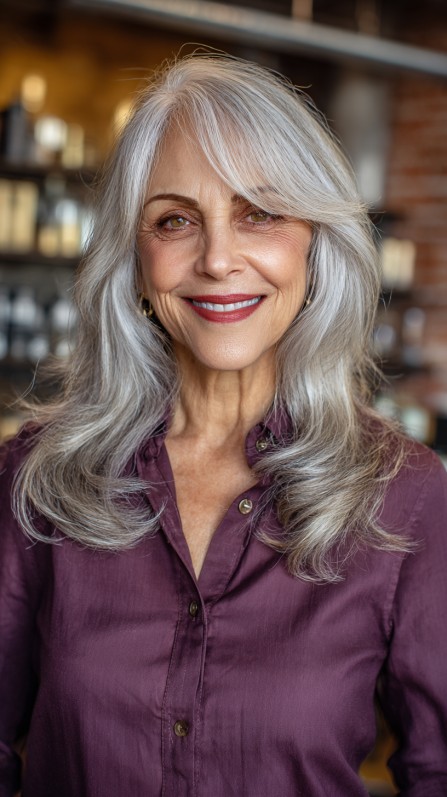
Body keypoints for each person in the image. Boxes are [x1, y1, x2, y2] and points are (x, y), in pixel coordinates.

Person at [0, 53, 446, 797]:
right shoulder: (38, 475)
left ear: (313, 240)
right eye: (175, 219)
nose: (216, 258)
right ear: (136, 260)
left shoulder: (405, 494)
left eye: (258, 212)